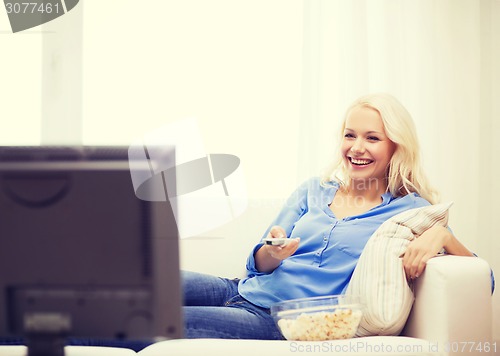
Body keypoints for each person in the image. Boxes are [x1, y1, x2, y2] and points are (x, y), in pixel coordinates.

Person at [182, 93, 475, 340]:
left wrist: (443, 235)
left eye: (372, 138)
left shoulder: (410, 210)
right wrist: (273, 252)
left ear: (395, 146)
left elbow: (479, 280)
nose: (356, 147)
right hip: (237, 288)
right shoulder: (314, 190)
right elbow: (258, 265)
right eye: (350, 135)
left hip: (279, 319)